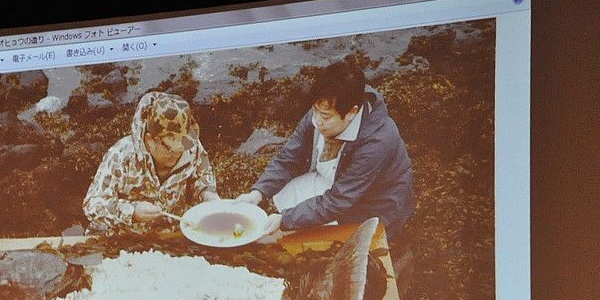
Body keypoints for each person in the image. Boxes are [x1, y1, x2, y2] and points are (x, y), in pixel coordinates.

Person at [236, 60, 414, 241]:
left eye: (326, 116)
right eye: (315, 111)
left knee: (307, 235)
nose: (317, 121)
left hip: (373, 206)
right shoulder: (324, 108)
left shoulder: (378, 142)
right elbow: (288, 157)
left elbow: (339, 200)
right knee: (283, 197)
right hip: (337, 184)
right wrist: (257, 193)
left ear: (352, 112)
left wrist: (285, 219)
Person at [83, 91, 219, 235]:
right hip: (124, 237)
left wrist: (208, 193)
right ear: (150, 140)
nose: (178, 154)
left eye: (182, 148)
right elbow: (92, 204)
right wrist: (132, 212)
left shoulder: (191, 146)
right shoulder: (121, 155)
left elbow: (203, 177)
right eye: (170, 149)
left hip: (170, 235)